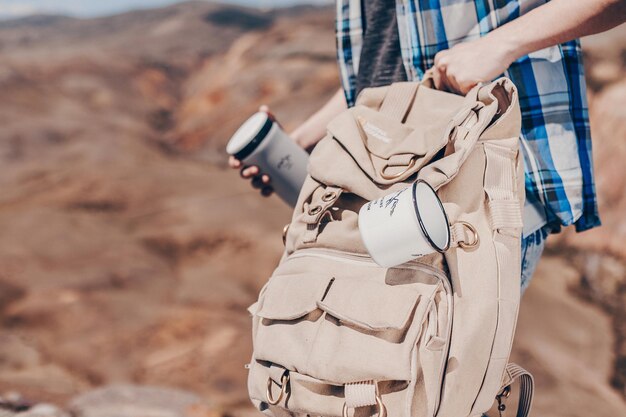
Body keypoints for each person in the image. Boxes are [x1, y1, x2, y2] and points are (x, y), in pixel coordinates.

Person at [229, 0, 626, 293]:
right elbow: (385, 67)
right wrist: (306, 138)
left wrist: (502, 43)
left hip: (471, 192)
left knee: (432, 388)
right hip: (378, 192)